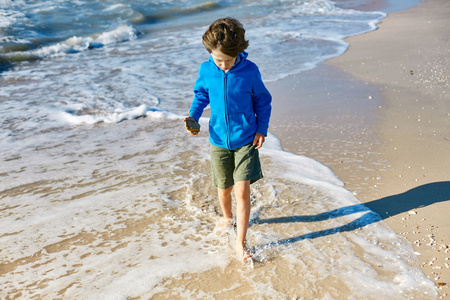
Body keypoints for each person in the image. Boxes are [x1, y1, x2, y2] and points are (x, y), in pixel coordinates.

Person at [184, 17, 272, 261]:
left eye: (228, 60)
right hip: (218, 140)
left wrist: (261, 129)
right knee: (224, 188)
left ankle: (240, 242)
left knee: (242, 190)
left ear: (239, 52)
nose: (223, 65)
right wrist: (193, 116)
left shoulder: (250, 71)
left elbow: (262, 101)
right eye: (218, 59)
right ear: (209, 52)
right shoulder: (206, 70)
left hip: (246, 138)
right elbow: (201, 95)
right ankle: (227, 217)